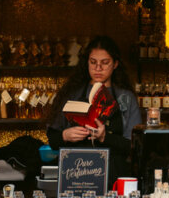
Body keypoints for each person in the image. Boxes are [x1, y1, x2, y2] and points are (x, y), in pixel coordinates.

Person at [46, 36, 142, 171]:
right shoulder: (71, 93)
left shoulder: (126, 98)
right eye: (93, 62)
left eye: (105, 62)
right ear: (87, 63)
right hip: (75, 170)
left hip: (113, 171)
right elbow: (53, 141)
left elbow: (134, 146)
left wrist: (105, 137)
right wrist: (65, 135)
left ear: (115, 64)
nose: (98, 68)